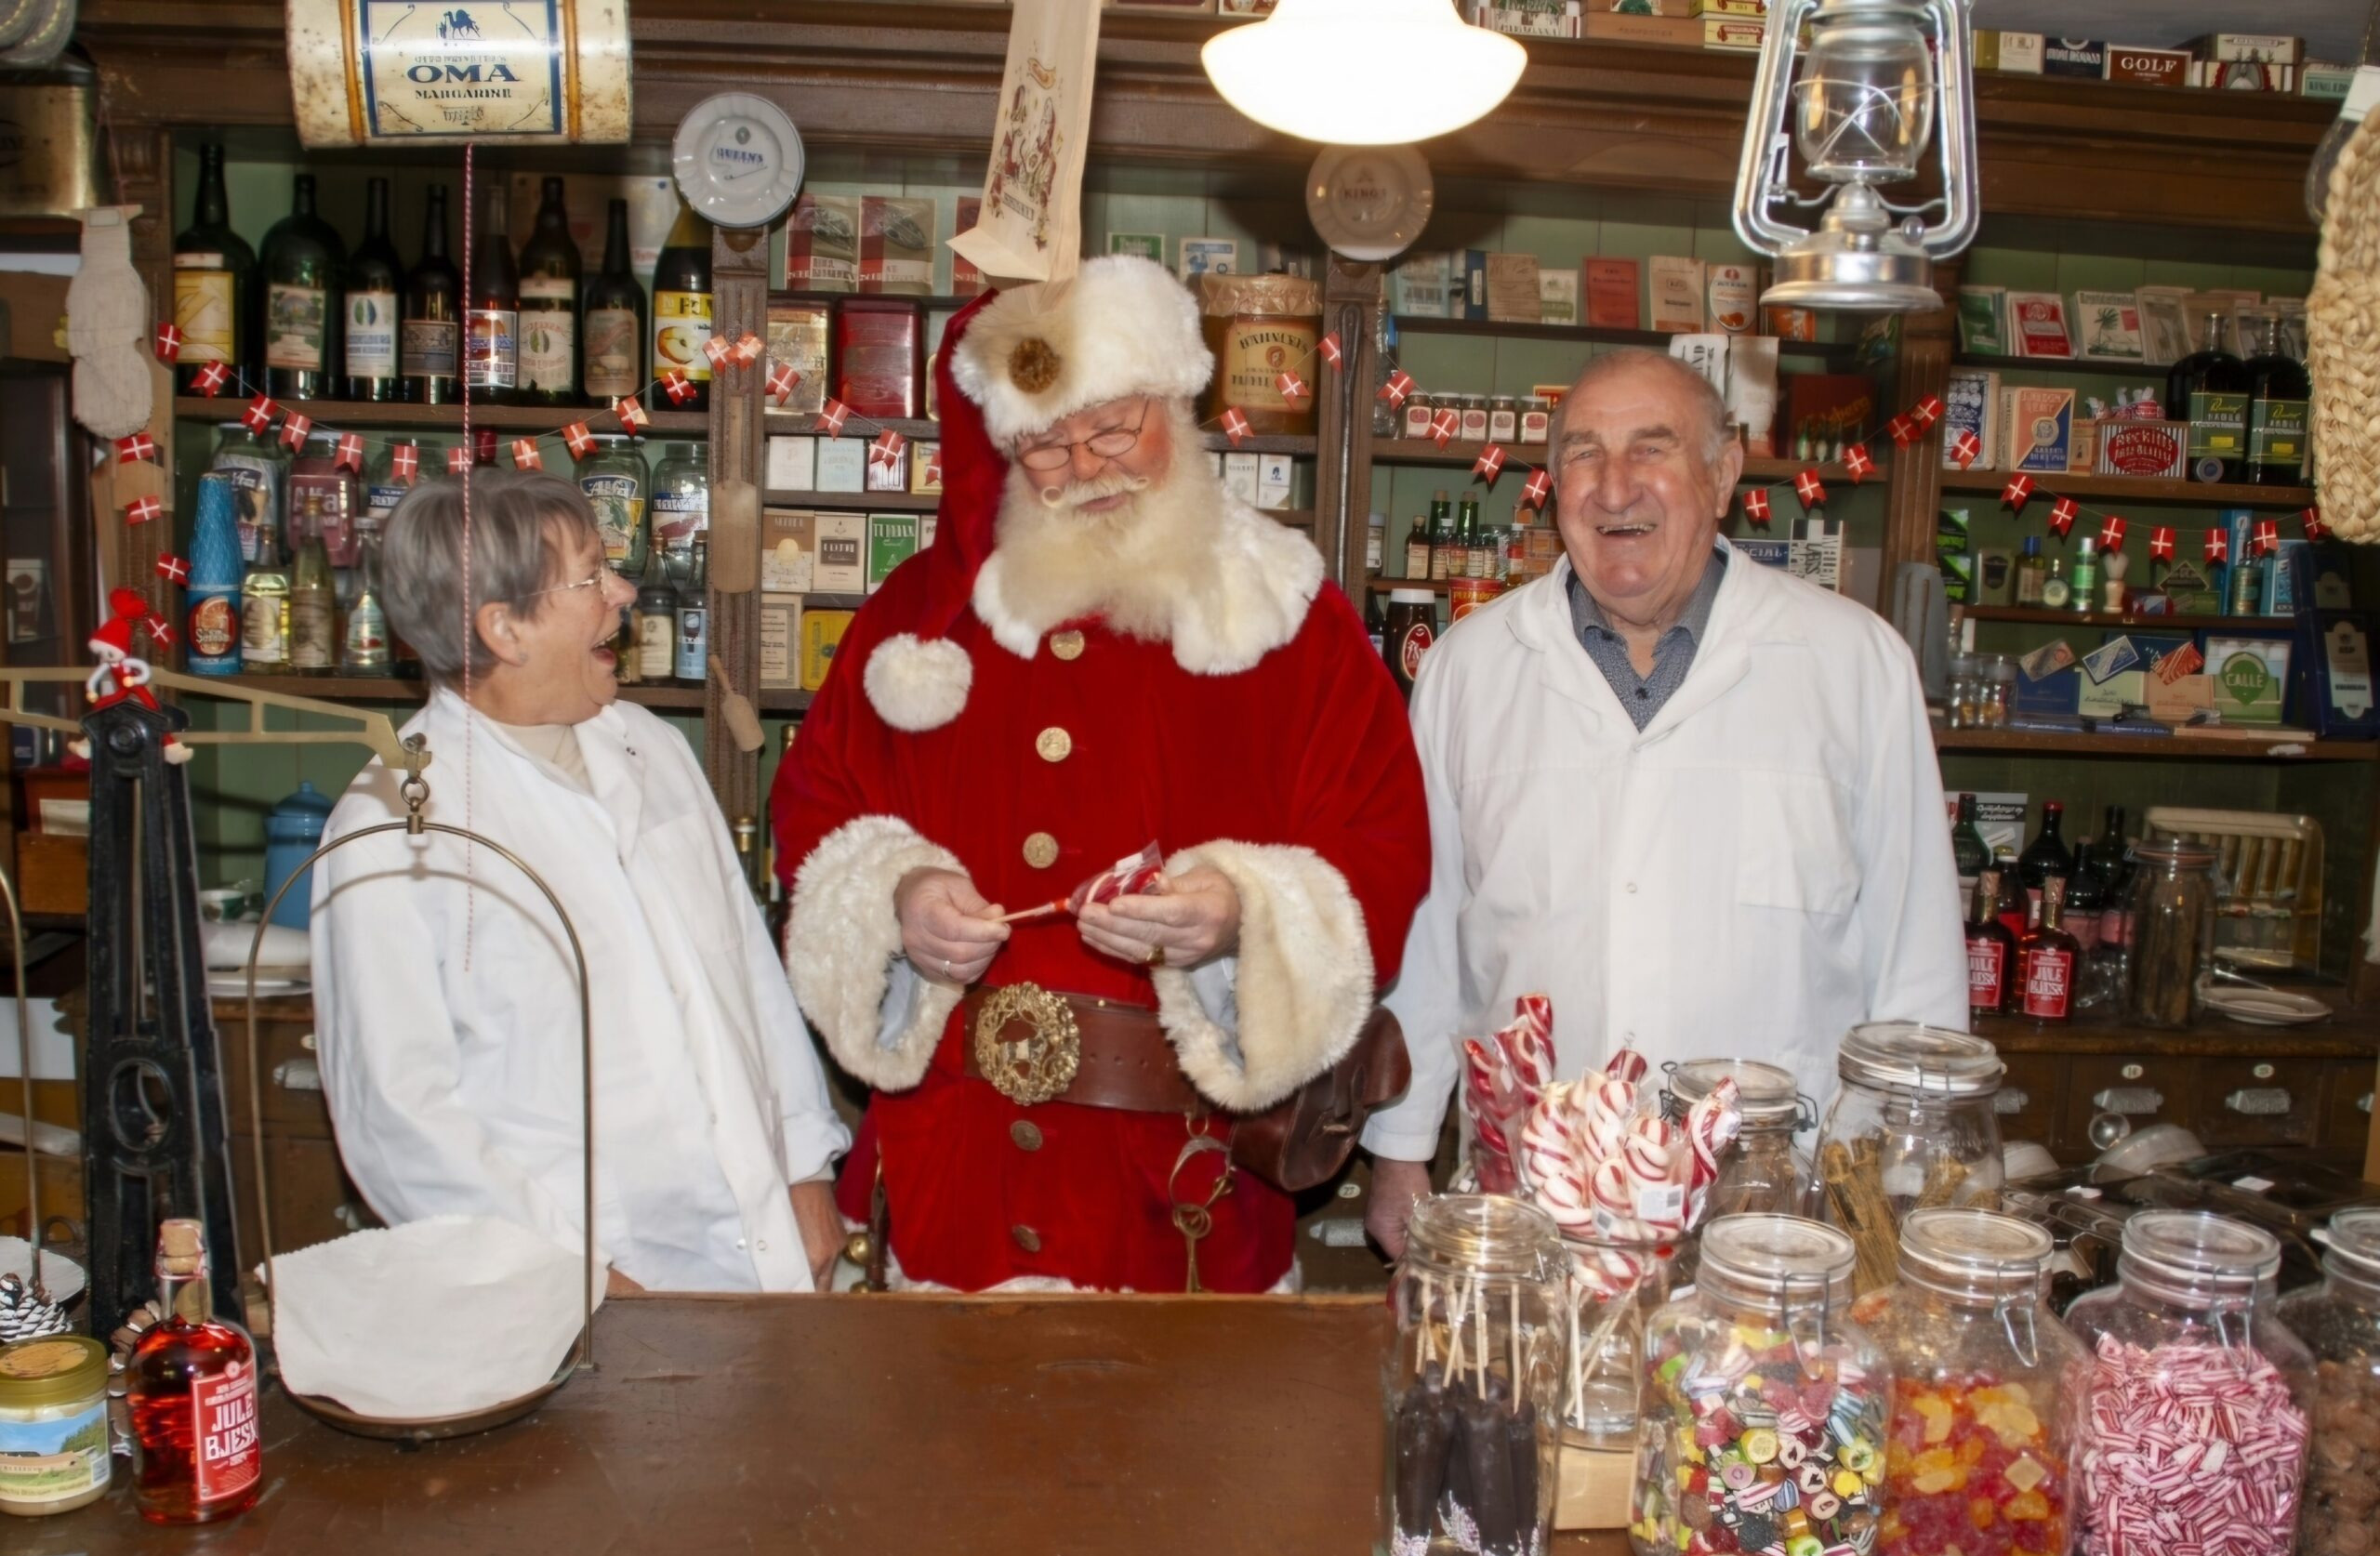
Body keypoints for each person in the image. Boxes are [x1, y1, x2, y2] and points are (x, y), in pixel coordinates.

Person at [772, 256, 1430, 1293]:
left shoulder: (1294, 617)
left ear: (1176, 401)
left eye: (1115, 427)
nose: (1083, 465)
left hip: (1184, 1200)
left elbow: (1381, 848)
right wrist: (896, 896)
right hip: (956, 1185)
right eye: (1042, 444)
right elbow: (816, 808)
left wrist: (1237, 914)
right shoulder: (918, 615)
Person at [1361, 349, 1966, 1257]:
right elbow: (1428, 936)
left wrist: (1911, 1178)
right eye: (1582, 454)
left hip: (1777, 1205)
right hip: (1536, 1193)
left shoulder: (1854, 664)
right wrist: (1399, 1149)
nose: (1613, 489)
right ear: (1550, 481)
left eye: (1652, 450)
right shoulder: (1468, 669)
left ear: (1721, 474)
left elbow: (1914, 953)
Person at [311, 473, 848, 1292]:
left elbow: (746, 968)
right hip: (581, 1293)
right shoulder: (394, 818)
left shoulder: (649, 747)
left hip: (759, 1257)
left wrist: (808, 1171)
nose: (624, 594)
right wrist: (580, 1283)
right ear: (504, 629)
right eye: (592, 576)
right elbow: (399, 1118)